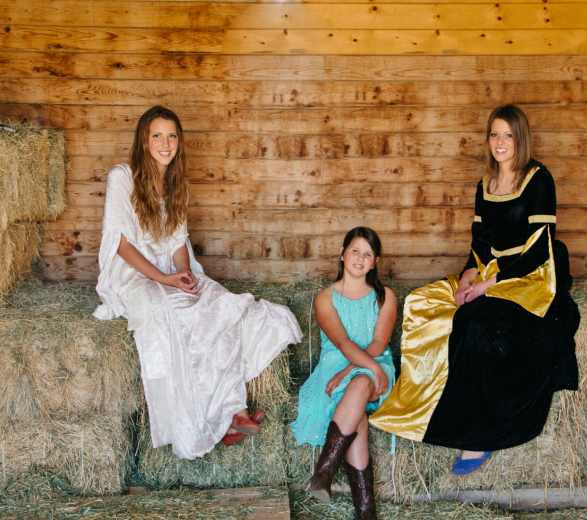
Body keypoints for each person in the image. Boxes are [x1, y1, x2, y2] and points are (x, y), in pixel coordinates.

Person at [370, 104, 580, 476]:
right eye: (495, 134)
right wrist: (470, 272)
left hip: (531, 276)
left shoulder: (537, 179)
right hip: (492, 270)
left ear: (520, 139)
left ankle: (476, 434)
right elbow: (481, 242)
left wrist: (485, 286)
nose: (500, 142)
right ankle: (415, 402)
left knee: (473, 322)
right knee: (423, 301)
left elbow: (537, 250)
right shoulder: (485, 183)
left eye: (508, 135)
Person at [93, 105, 302, 458]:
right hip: (133, 272)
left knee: (217, 304)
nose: (166, 143)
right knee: (171, 316)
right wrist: (164, 279)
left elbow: (177, 243)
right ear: (144, 140)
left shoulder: (175, 183)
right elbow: (121, 245)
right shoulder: (122, 177)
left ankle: (232, 410)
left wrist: (185, 275)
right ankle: (203, 422)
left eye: (172, 136)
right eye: (157, 135)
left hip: (169, 268)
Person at [291, 227, 397, 519]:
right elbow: (342, 342)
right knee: (357, 412)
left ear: (375, 261)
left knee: (362, 381)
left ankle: (324, 471)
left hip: (375, 363)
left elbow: (378, 342)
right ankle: (366, 510)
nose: (360, 259)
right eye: (355, 251)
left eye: (367, 254)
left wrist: (364, 367)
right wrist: (360, 367)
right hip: (336, 364)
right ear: (342, 254)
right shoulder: (325, 298)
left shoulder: (385, 296)